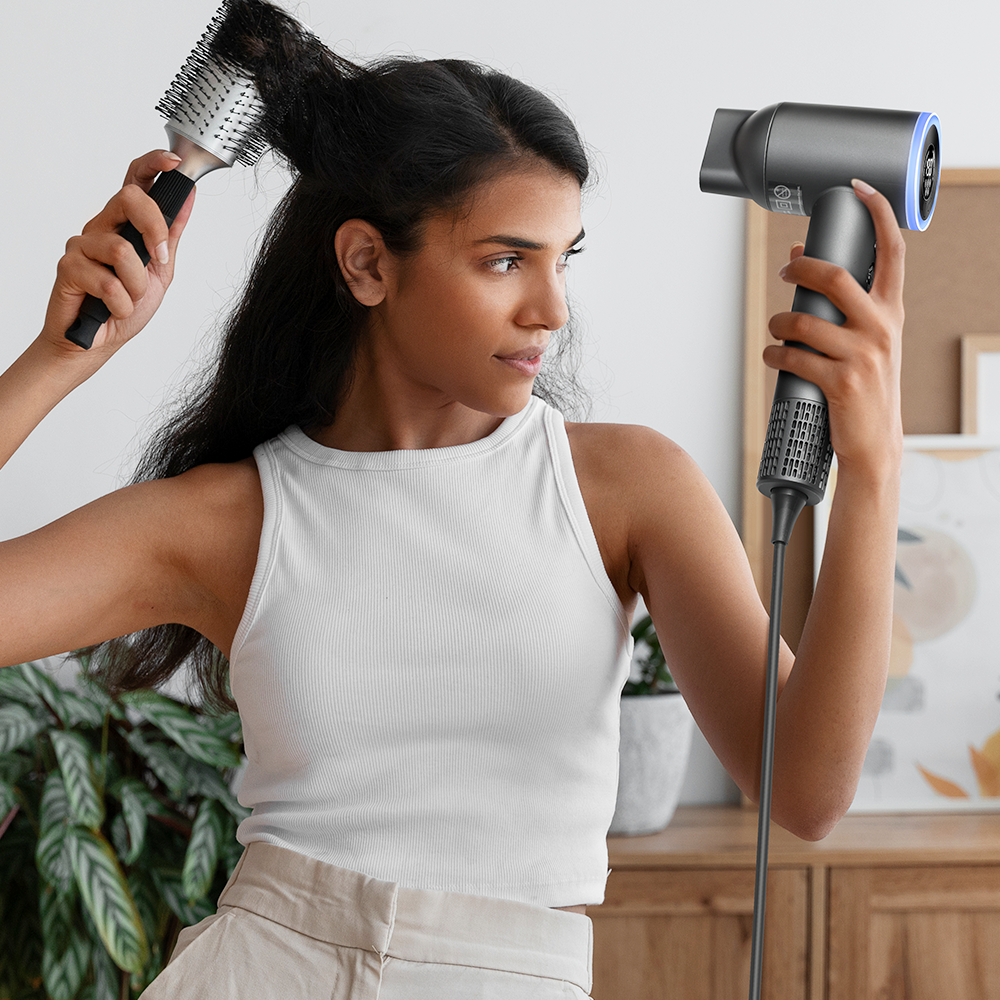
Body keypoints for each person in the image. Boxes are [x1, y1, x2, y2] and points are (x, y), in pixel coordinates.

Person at [0, 2, 906, 996]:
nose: (552, 309)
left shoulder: (622, 488)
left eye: (565, 259)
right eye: (505, 259)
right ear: (367, 262)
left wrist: (871, 471)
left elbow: (808, 791)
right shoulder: (230, 518)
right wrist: (53, 363)